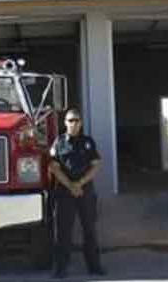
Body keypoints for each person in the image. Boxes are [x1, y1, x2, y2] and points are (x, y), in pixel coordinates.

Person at [48, 107, 106, 279]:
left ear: (81, 123)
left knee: (89, 229)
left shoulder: (88, 142)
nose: (74, 123)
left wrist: (79, 183)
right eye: (70, 120)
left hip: (85, 190)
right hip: (65, 192)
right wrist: (70, 185)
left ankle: (94, 266)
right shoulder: (58, 142)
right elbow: (53, 167)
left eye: (77, 120)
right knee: (63, 232)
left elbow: (96, 165)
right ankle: (61, 268)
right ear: (65, 123)